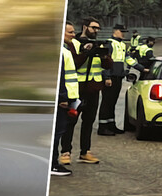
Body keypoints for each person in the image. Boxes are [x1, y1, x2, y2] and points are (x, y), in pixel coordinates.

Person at [59, 17, 111, 165]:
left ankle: (85, 152)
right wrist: (87, 52)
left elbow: (108, 66)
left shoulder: (98, 44)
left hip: (94, 90)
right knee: (70, 121)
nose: (96, 31)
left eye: (98, 28)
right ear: (85, 27)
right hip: (77, 90)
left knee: (89, 122)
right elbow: (74, 63)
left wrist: (104, 56)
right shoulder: (72, 44)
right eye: (93, 27)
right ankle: (65, 152)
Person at [98, 23, 136, 136]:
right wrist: (107, 76)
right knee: (107, 101)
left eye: (124, 32)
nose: (123, 34)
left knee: (113, 102)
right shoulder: (109, 43)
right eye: (122, 32)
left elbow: (126, 59)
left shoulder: (122, 45)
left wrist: (141, 68)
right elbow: (104, 61)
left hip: (118, 77)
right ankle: (102, 127)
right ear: (115, 31)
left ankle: (111, 125)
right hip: (110, 78)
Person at [52, 22, 79, 176]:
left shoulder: (65, 50)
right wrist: (63, 97)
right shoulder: (62, 52)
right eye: (70, 32)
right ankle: (53, 165)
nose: (73, 35)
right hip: (62, 98)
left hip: (67, 97)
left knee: (59, 131)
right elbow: (60, 77)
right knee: (57, 131)